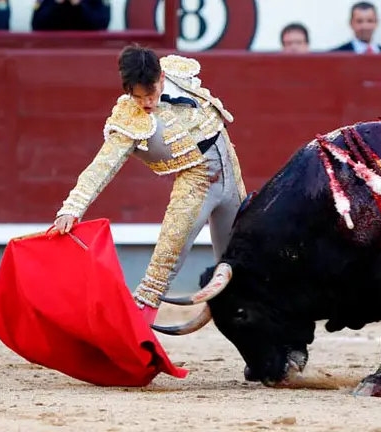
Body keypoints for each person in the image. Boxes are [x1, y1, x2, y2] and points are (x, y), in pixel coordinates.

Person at [51, 45, 247, 325]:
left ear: (162, 77)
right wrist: (72, 207)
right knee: (164, 263)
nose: (147, 102)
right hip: (197, 183)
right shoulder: (128, 118)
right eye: (138, 96)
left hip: (231, 173)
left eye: (151, 93)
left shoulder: (179, 74)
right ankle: (135, 328)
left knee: (241, 256)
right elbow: (102, 166)